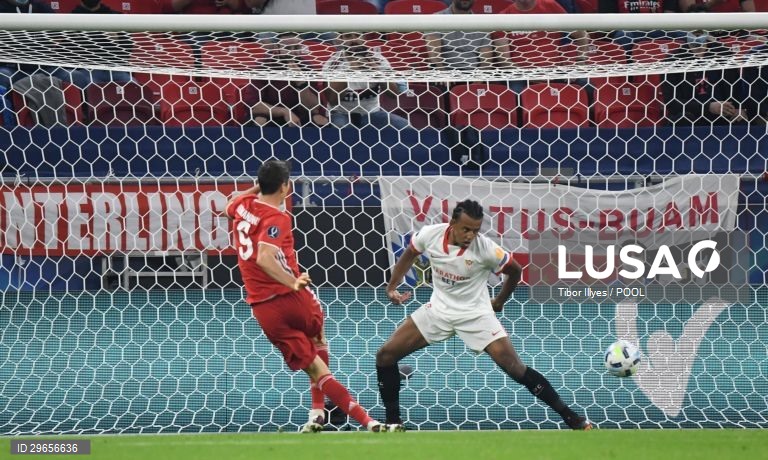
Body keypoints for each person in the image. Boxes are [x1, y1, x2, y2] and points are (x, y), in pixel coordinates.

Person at [376, 200, 593, 430]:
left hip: (476, 315)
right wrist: (392, 286)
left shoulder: (486, 249)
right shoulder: (430, 234)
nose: (471, 235)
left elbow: (515, 270)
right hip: (438, 310)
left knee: (515, 368)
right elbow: (410, 253)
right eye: (466, 229)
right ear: (452, 223)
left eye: (476, 230)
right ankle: (394, 422)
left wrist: (499, 301)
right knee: (385, 355)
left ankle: (571, 417)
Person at [226, 160, 404, 433]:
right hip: (291, 297)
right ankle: (344, 415)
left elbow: (231, 203)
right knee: (319, 340)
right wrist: (293, 281)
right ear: (285, 187)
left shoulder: (241, 206)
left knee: (315, 369)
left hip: (263, 308)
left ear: (260, 185)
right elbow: (264, 257)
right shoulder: (277, 217)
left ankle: (325, 414)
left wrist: (258, 187)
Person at [661, 31, 753, 126]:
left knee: (740, 119)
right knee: (683, 118)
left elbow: (737, 88)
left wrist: (740, 108)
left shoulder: (724, 54)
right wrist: (708, 107)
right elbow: (672, 104)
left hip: (723, 115)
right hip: (691, 117)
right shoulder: (672, 60)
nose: (697, 33)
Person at [323, 32, 409, 130]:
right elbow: (333, 100)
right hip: (341, 113)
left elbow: (394, 94)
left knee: (404, 126)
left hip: (372, 113)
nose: (354, 40)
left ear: (364, 38)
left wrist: (378, 74)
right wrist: (349, 72)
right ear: (341, 39)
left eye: (357, 35)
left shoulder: (378, 59)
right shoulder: (333, 63)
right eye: (348, 36)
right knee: (342, 129)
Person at [243, 33, 328, 127]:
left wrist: (301, 82)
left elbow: (314, 109)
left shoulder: (307, 68)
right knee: (259, 120)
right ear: (277, 48)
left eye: (296, 48)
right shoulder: (263, 67)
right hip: (271, 115)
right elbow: (253, 106)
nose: (293, 52)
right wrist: (284, 112)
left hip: (300, 116)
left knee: (320, 120)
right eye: (288, 48)